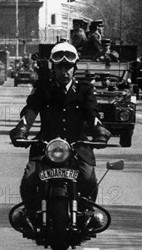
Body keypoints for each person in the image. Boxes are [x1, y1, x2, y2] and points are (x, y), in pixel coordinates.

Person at [9, 42, 111, 224]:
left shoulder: (84, 89)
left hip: (78, 145)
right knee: (29, 179)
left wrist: (100, 131)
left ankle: (87, 214)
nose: (64, 71)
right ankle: (30, 213)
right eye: (60, 67)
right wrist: (21, 130)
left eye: (68, 67)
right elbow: (31, 111)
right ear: (53, 67)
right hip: (45, 145)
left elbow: (92, 113)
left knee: (88, 178)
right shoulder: (43, 88)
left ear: (75, 68)